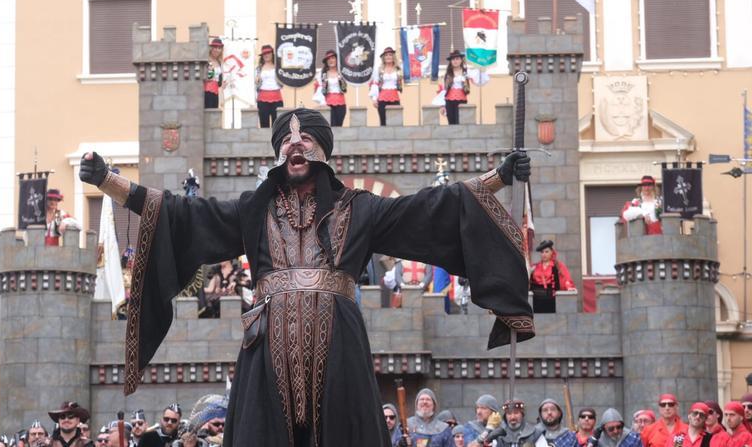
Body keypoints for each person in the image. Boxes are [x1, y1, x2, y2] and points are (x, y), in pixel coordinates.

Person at [79, 108, 534, 447]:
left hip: (338, 347)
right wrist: (110, 181)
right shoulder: (252, 209)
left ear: (322, 153)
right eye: (287, 143)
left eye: (305, 141)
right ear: (278, 156)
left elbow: (430, 210)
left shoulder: (360, 208)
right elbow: (184, 214)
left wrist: (499, 178)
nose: (295, 147)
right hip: (266, 346)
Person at [529, 240, 576, 313]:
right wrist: (529, 273)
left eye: (546, 252)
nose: (544, 254)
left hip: (551, 299)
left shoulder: (558, 266)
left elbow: (566, 278)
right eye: (542, 252)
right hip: (536, 299)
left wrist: (569, 287)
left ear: (551, 252)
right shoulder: (534, 267)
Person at [313, 50, 348, 127]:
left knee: (339, 126)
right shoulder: (322, 74)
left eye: (332, 58)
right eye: (328, 59)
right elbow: (318, 88)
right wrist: (321, 102)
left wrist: (341, 79)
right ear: (326, 62)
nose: (331, 60)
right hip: (328, 103)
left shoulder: (342, 73)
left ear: (336, 59)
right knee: (331, 126)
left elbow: (344, 88)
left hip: (341, 103)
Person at [369, 47, 403, 126]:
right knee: (383, 121)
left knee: (395, 121)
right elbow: (375, 83)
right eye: (386, 55)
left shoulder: (398, 69)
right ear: (383, 58)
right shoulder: (379, 70)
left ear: (393, 57)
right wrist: (374, 99)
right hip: (382, 97)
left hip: (394, 96)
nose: (388, 57)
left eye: (390, 55)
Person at [255, 45, 282, 128]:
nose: (266, 55)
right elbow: (255, 85)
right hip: (262, 98)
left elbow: (283, 83)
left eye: (268, 53)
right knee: (264, 125)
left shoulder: (278, 67)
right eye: (264, 53)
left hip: (277, 97)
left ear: (272, 54)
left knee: (277, 125)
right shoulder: (258, 68)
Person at [439, 51, 470, 125]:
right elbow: (444, 90)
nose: (455, 61)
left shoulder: (465, 72)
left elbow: (471, 84)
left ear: (461, 60)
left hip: (461, 100)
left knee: (460, 122)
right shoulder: (448, 74)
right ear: (451, 61)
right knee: (451, 122)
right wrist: (442, 105)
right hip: (449, 101)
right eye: (453, 59)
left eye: (457, 59)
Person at [204, 38, 224, 109]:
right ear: (211, 48)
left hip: (216, 92)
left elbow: (219, 82)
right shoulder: (206, 60)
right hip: (207, 91)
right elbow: (206, 76)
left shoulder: (219, 62)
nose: (217, 50)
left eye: (219, 48)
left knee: (214, 113)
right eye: (215, 47)